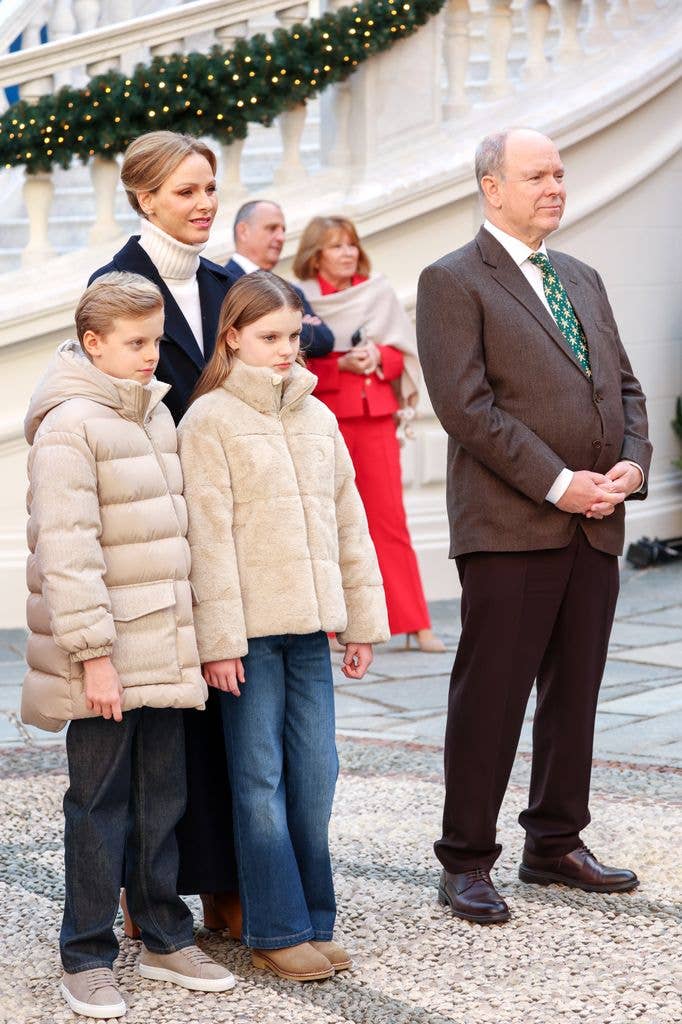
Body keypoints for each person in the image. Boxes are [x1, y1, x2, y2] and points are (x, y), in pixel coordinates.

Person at [416, 128, 651, 925]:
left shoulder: (581, 275)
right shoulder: (452, 280)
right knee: (491, 698)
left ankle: (554, 842)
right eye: (536, 175)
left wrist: (631, 468)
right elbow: (466, 408)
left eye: (559, 173)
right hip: (510, 527)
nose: (555, 186)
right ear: (493, 186)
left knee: (574, 694)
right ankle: (465, 859)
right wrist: (560, 484)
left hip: (596, 525)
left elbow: (624, 387)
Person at [21, 273, 234, 1019]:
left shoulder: (151, 413)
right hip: (106, 657)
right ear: (93, 343)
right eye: (136, 342)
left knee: (162, 798)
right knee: (98, 804)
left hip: (163, 644)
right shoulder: (70, 426)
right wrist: (94, 658)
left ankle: (165, 936)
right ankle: (85, 955)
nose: (151, 355)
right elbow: (68, 552)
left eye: (155, 340)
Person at [178, 271, 390, 982]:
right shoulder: (207, 422)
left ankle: (314, 920)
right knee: (258, 780)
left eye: (294, 336)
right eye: (269, 336)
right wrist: (218, 642)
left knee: (316, 774)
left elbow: (349, 522)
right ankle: (275, 928)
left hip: (309, 633)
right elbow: (206, 541)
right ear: (232, 336)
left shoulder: (317, 416)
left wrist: (361, 622)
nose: (284, 349)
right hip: (248, 637)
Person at [90, 131, 240, 936]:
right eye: (186, 190)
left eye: (209, 187)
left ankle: (223, 882)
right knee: (162, 724)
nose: (205, 203)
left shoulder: (228, 281)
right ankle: (148, 890)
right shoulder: (116, 285)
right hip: (153, 527)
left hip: (230, 523)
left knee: (225, 712)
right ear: (145, 198)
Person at [294, 216, 445, 652]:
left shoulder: (377, 291)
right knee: (325, 523)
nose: (347, 253)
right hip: (324, 420)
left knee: (388, 521)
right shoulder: (299, 297)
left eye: (351, 245)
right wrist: (338, 365)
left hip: (374, 417)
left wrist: (378, 356)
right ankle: (330, 628)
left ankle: (416, 624)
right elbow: (291, 360)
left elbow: (404, 356)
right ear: (315, 255)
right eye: (335, 246)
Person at [226, 199, 334, 357]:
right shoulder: (221, 283)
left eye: (283, 230)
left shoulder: (291, 289)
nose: (281, 237)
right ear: (243, 231)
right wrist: (300, 325)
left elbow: (325, 340)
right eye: (272, 228)